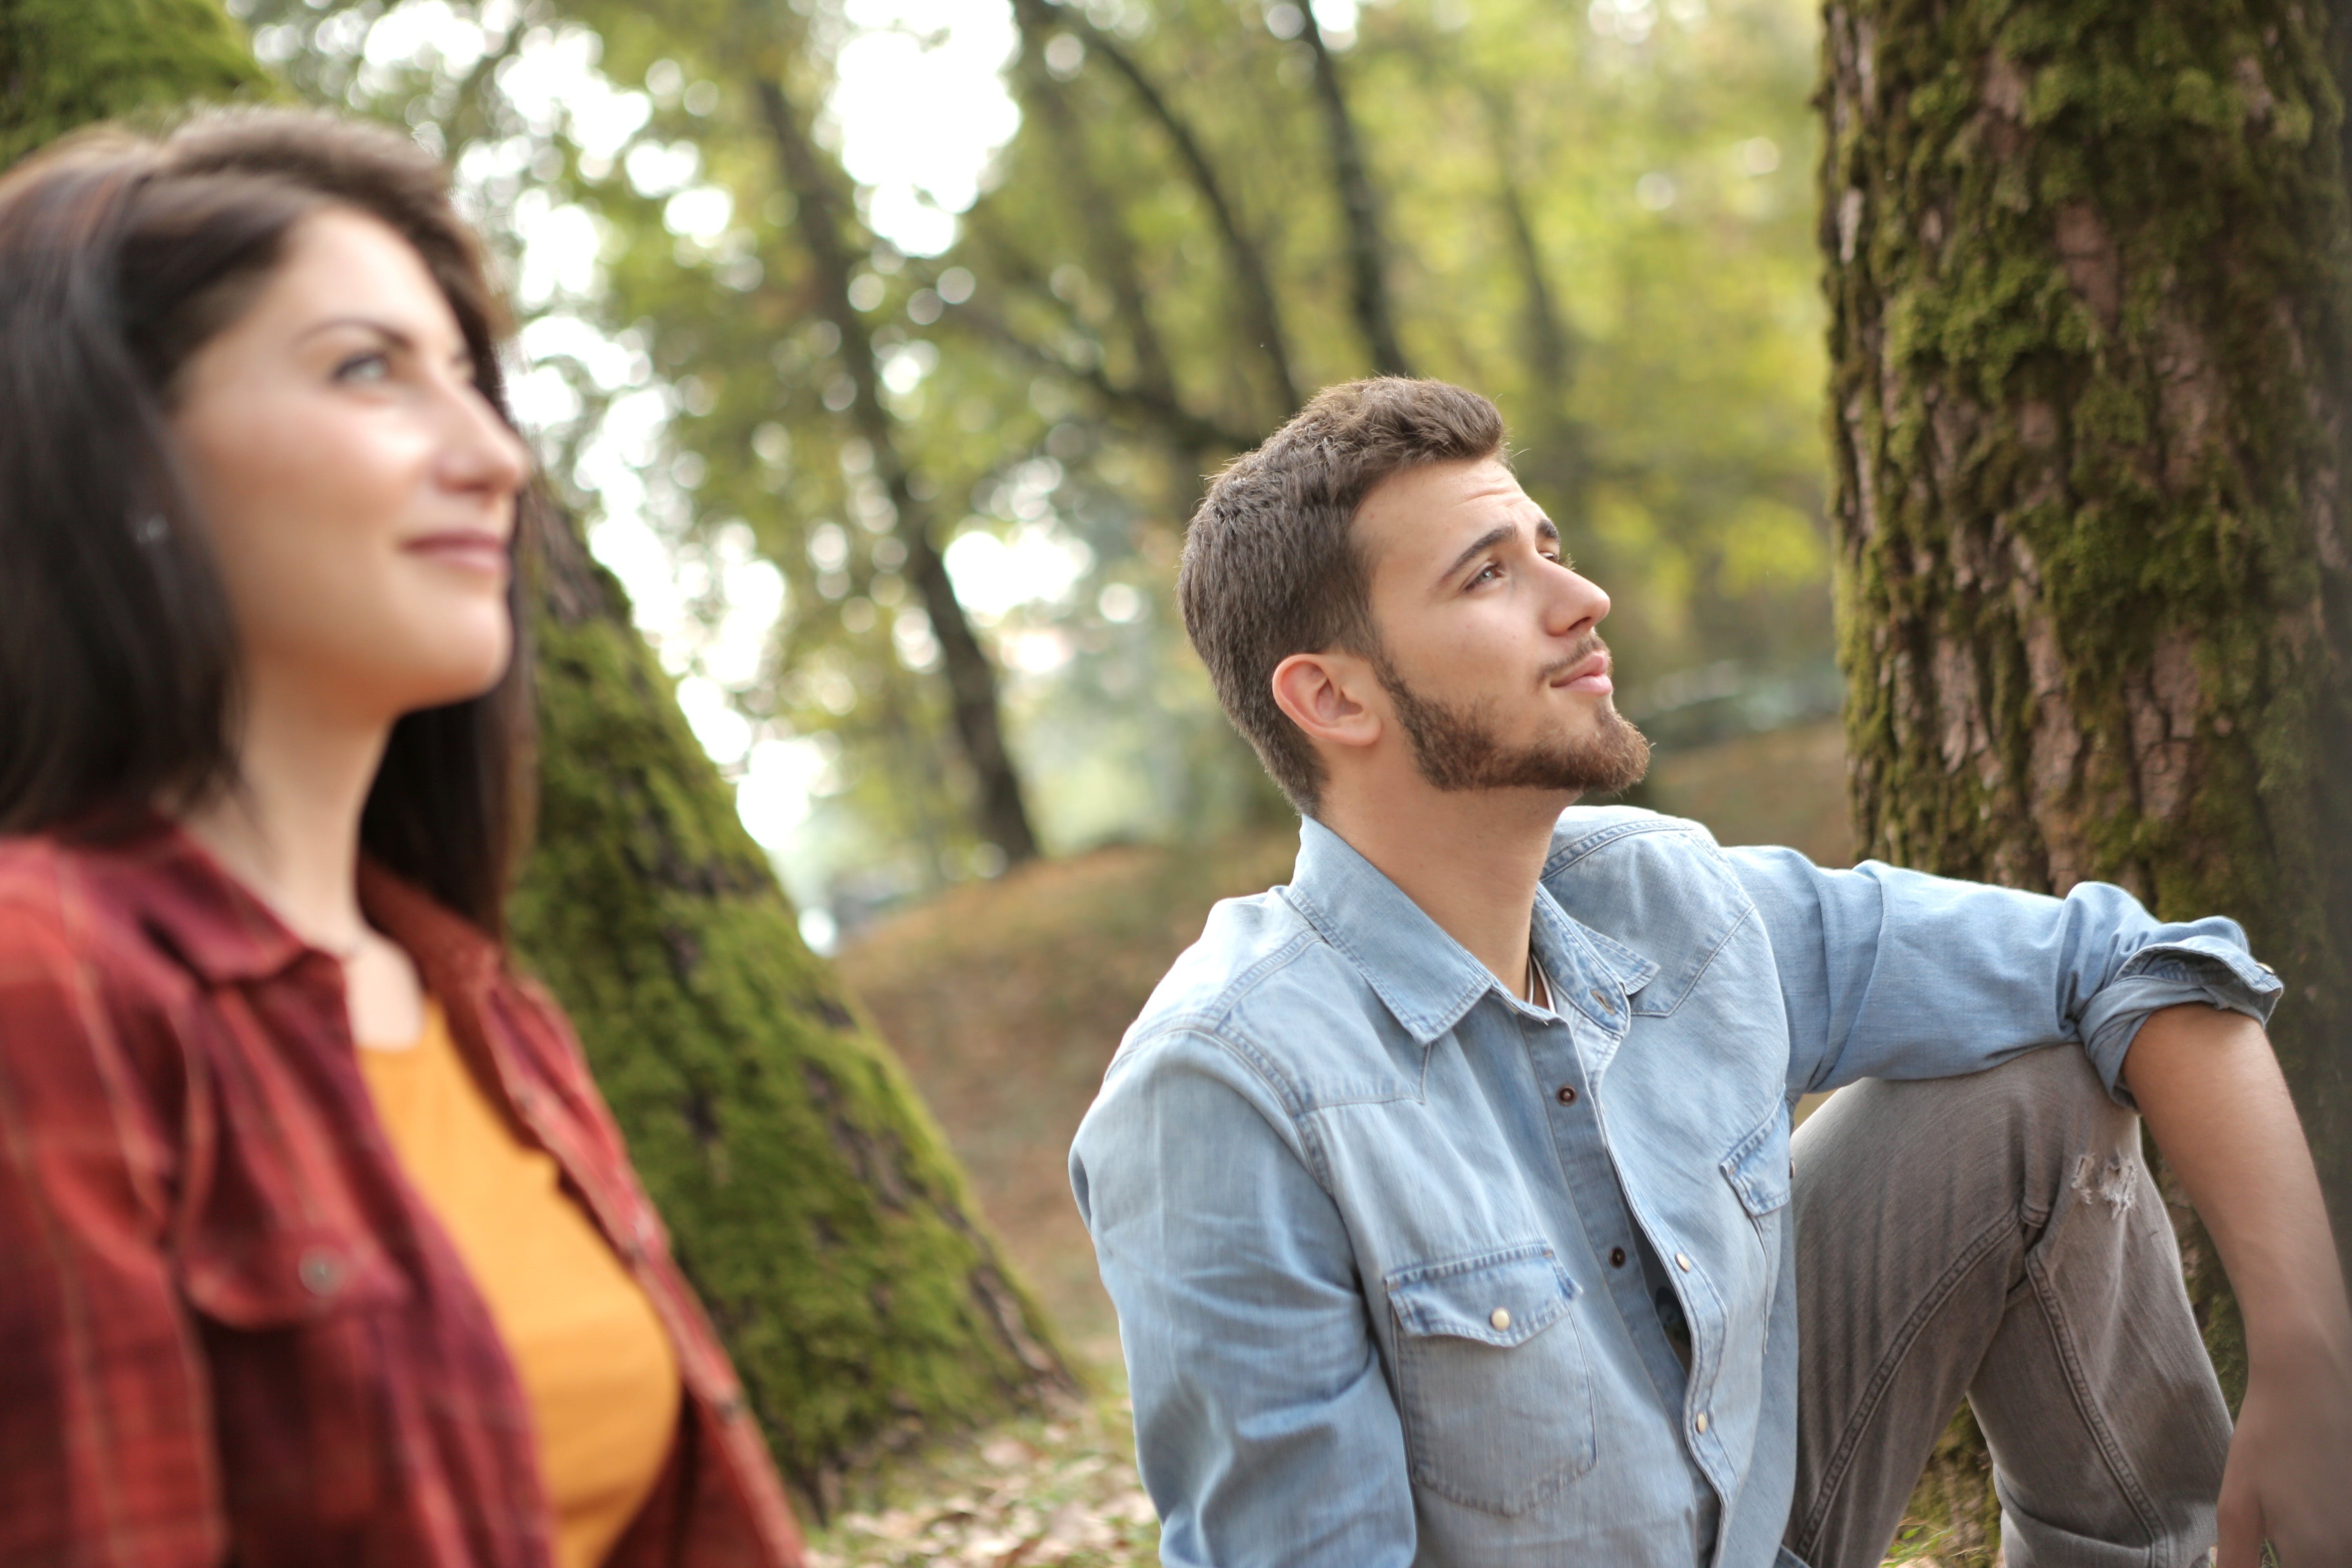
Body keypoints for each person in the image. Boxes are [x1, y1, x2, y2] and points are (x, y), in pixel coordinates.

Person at [1069, 378, 2352, 1568]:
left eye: (1551, 551)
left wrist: (2309, 1369)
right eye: (1487, 577)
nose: (1582, 602)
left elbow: (2133, 964)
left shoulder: (1667, 897)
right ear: (1335, 701)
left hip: (1768, 1523)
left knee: (2033, 1088)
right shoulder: (1221, 1097)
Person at [0, 110, 803, 1567]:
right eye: (367, 369)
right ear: (117, 460)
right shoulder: (41, 987)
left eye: (473, 383)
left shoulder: (476, 1004)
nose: (492, 457)